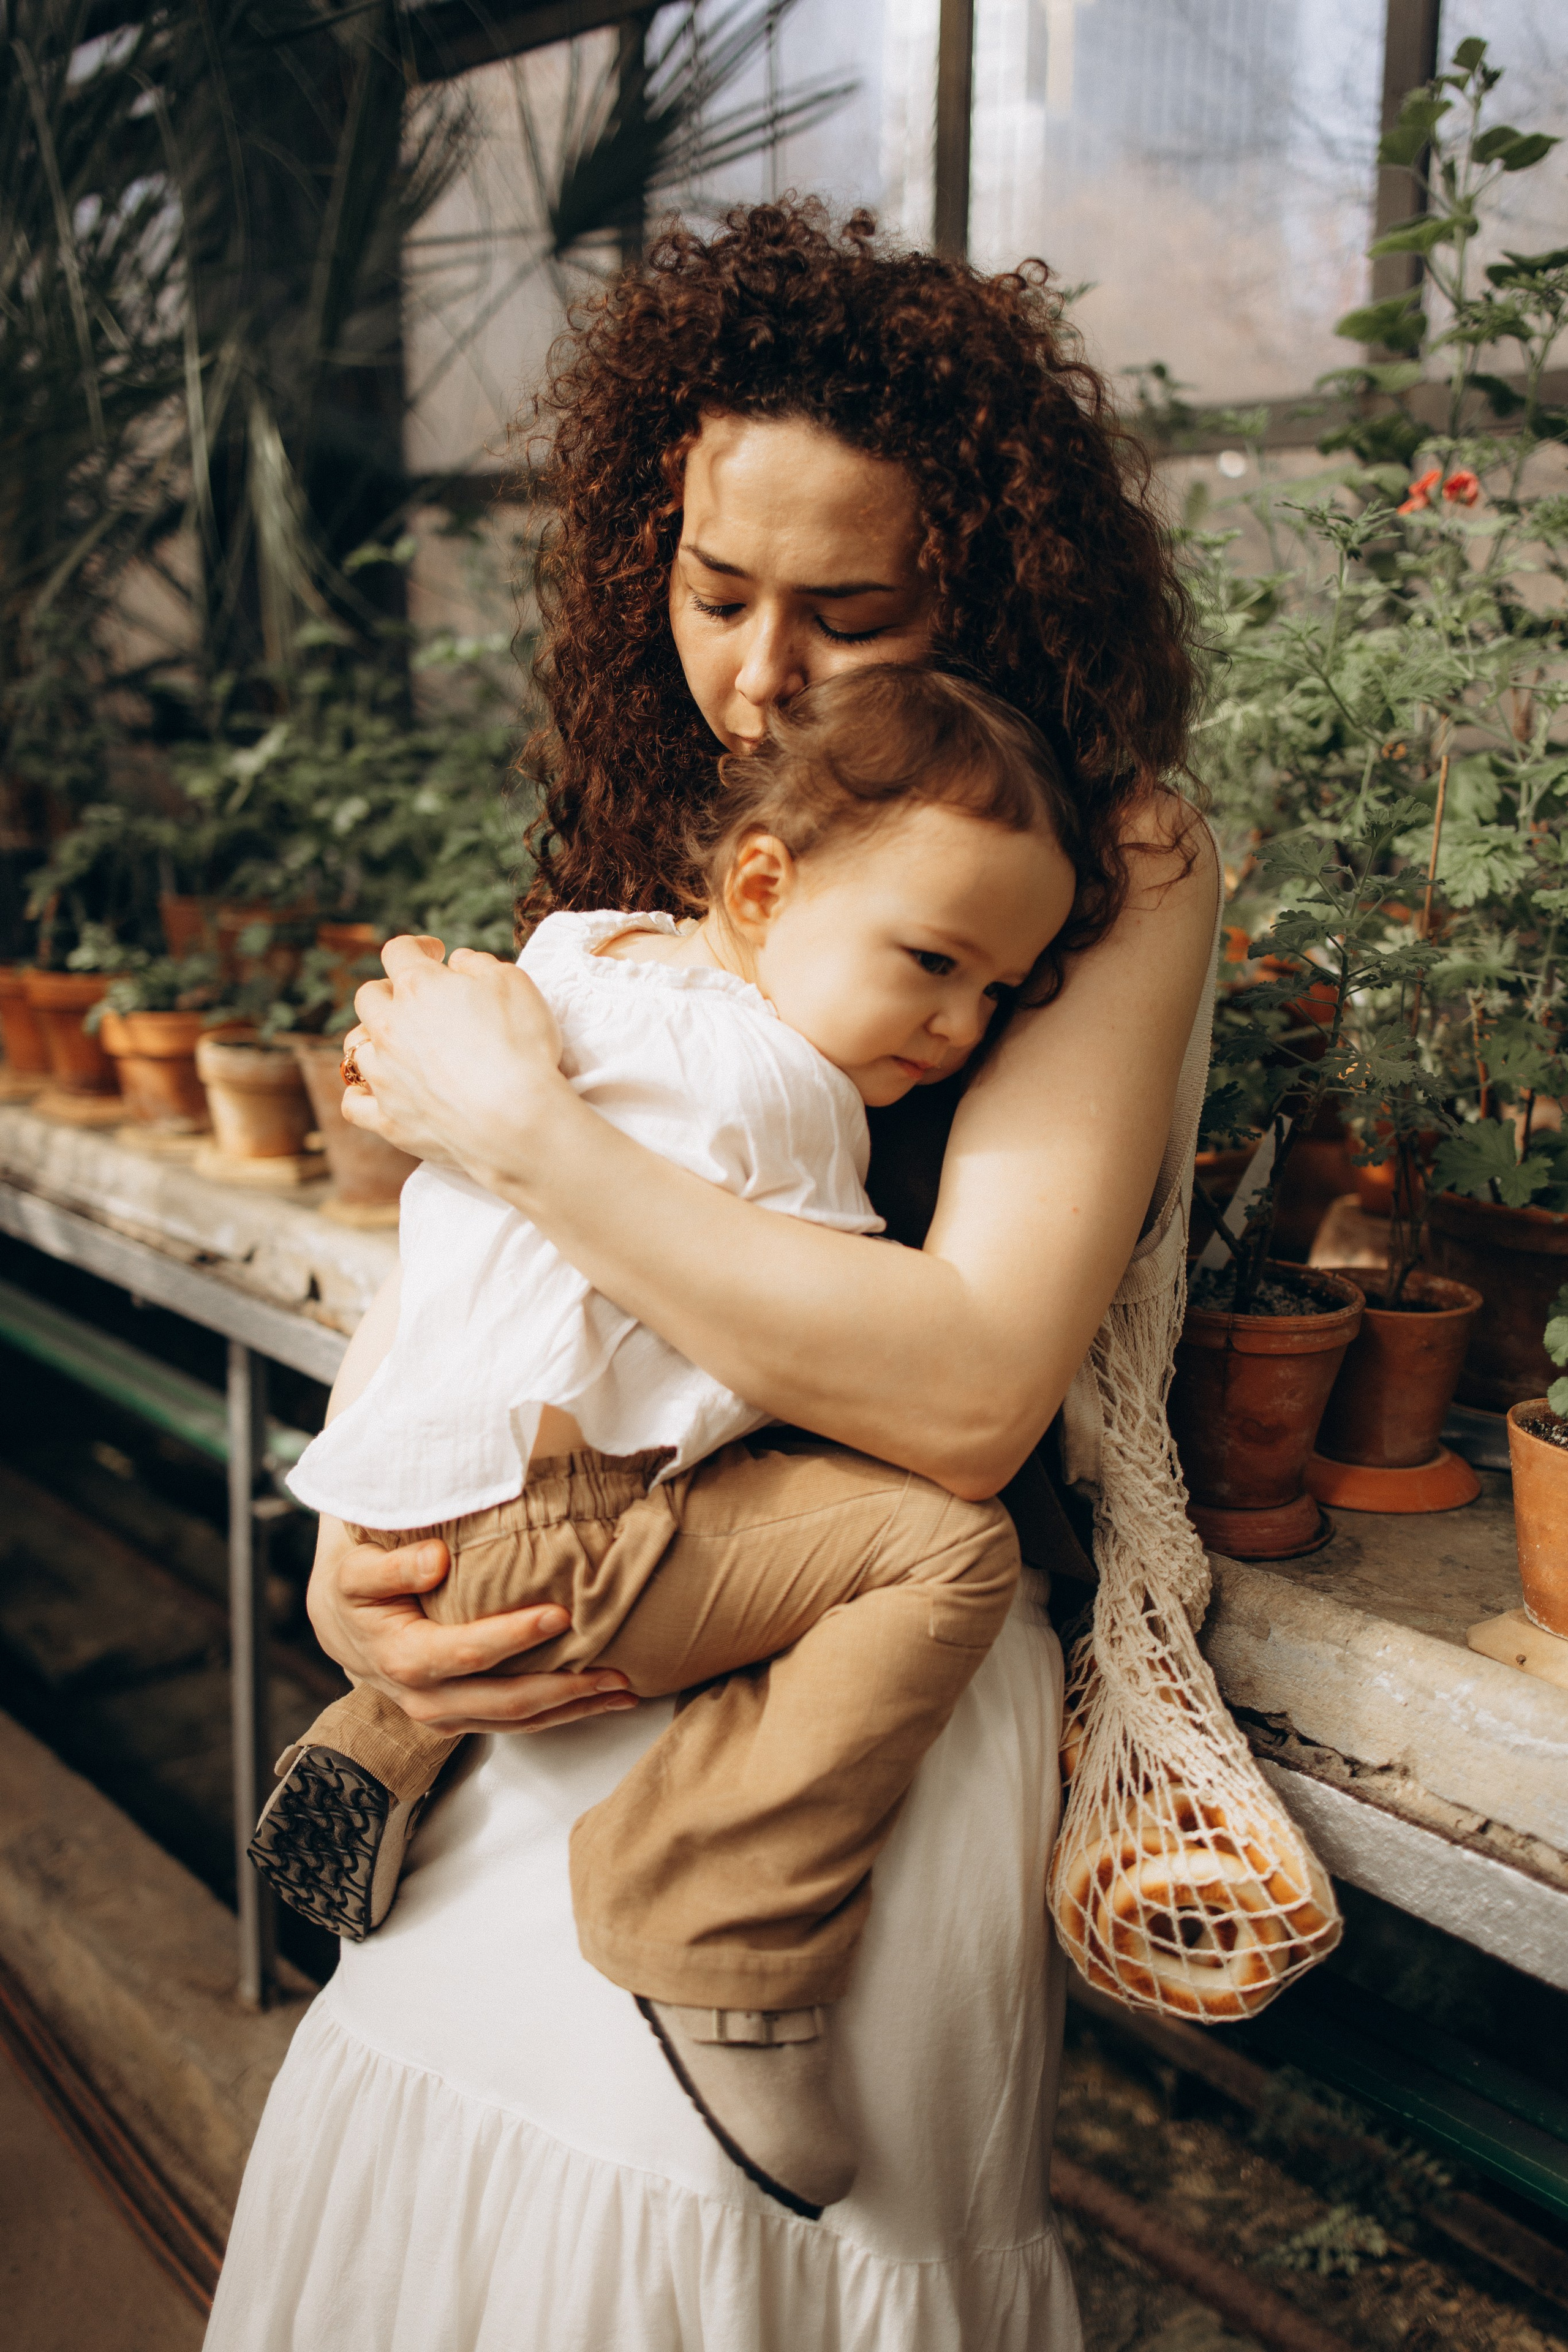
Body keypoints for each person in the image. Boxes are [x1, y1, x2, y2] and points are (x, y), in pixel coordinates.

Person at [203, 201, 1218, 2352]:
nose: (759, 674)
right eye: (713, 592)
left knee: (727, 2274)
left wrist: (527, 1131)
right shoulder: (692, 813)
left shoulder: (1104, 859)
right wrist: (349, 1569)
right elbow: (481, 1260)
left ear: (986, 581)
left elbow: (961, 1394)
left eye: (847, 613)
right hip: (561, 1676)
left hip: (853, 1723)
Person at [253, 667, 1079, 2215]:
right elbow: (849, 1354)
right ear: (761, 886)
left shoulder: (576, 963)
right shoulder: (778, 1092)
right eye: (931, 963)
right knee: (934, 1546)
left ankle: (374, 1743)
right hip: (567, 1530)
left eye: (998, 995)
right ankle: (712, 1913)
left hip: (414, 1514)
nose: (960, 1027)